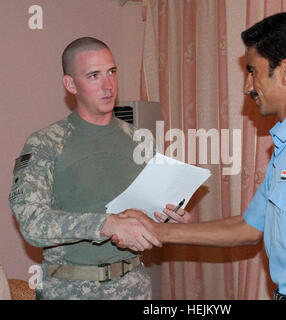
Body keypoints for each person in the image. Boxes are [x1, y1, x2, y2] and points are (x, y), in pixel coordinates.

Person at [125, 12, 286, 300]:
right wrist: (156, 231)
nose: (247, 86)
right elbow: (249, 227)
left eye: (253, 71)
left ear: (285, 72)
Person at [8, 37, 190, 300]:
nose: (108, 85)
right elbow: (33, 223)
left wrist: (171, 218)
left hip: (134, 286)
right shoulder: (45, 143)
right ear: (71, 84)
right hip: (71, 290)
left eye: (112, 72)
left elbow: (147, 212)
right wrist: (106, 224)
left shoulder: (139, 139)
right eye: (94, 75)